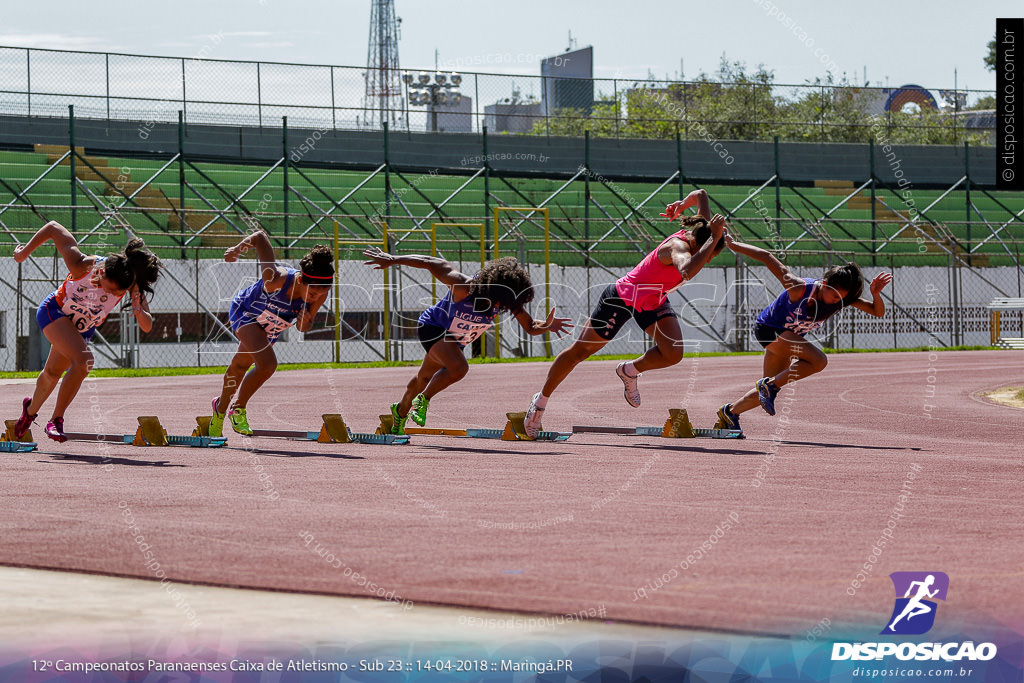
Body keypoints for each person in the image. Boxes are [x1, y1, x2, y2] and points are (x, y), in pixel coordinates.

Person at [523, 189, 727, 438]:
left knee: (673, 353)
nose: (707, 261)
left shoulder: (701, 229)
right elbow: (686, 271)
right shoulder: (679, 247)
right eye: (708, 255)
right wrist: (713, 239)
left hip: (652, 299)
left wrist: (682, 205)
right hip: (622, 297)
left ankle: (629, 370)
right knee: (579, 352)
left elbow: (702, 194)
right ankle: (540, 403)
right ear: (699, 243)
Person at [361, 248, 573, 435]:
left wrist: (547, 325)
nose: (499, 306)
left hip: (455, 341)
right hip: (433, 327)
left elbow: (530, 327)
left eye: (505, 304)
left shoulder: (506, 299)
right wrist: (393, 259)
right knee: (459, 368)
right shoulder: (463, 286)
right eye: (497, 301)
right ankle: (422, 401)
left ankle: (399, 413)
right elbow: (429, 261)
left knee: (423, 378)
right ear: (490, 289)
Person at [714, 234, 892, 435]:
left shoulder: (842, 299)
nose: (836, 302)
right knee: (818, 361)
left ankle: (729, 413)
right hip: (768, 330)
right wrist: (733, 244)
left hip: (786, 339)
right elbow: (766, 256)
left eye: (840, 299)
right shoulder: (799, 287)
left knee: (767, 389)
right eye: (834, 296)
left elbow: (877, 312)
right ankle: (769, 387)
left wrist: (876, 295)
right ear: (824, 284)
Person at [12, 221, 161, 442]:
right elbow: (53, 228)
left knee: (52, 374)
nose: (110, 292)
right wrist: (23, 253)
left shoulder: (131, 285)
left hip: (81, 330)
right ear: (102, 272)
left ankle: (29, 411)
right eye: (108, 286)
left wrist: (138, 310)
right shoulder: (82, 264)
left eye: (116, 292)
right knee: (83, 362)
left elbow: (147, 326)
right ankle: (56, 420)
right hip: (55, 312)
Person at [209, 231, 334, 437]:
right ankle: (238, 408)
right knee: (267, 364)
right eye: (312, 294)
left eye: (321, 295)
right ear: (301, 280)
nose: (315, 298)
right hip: (246, 313)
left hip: (273, 325)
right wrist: (237, 249)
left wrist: (305, 320)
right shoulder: (275, 279)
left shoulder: (319, 292)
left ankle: (220, 409)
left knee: (240, 366)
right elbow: (259, 237)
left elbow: (303, 328)